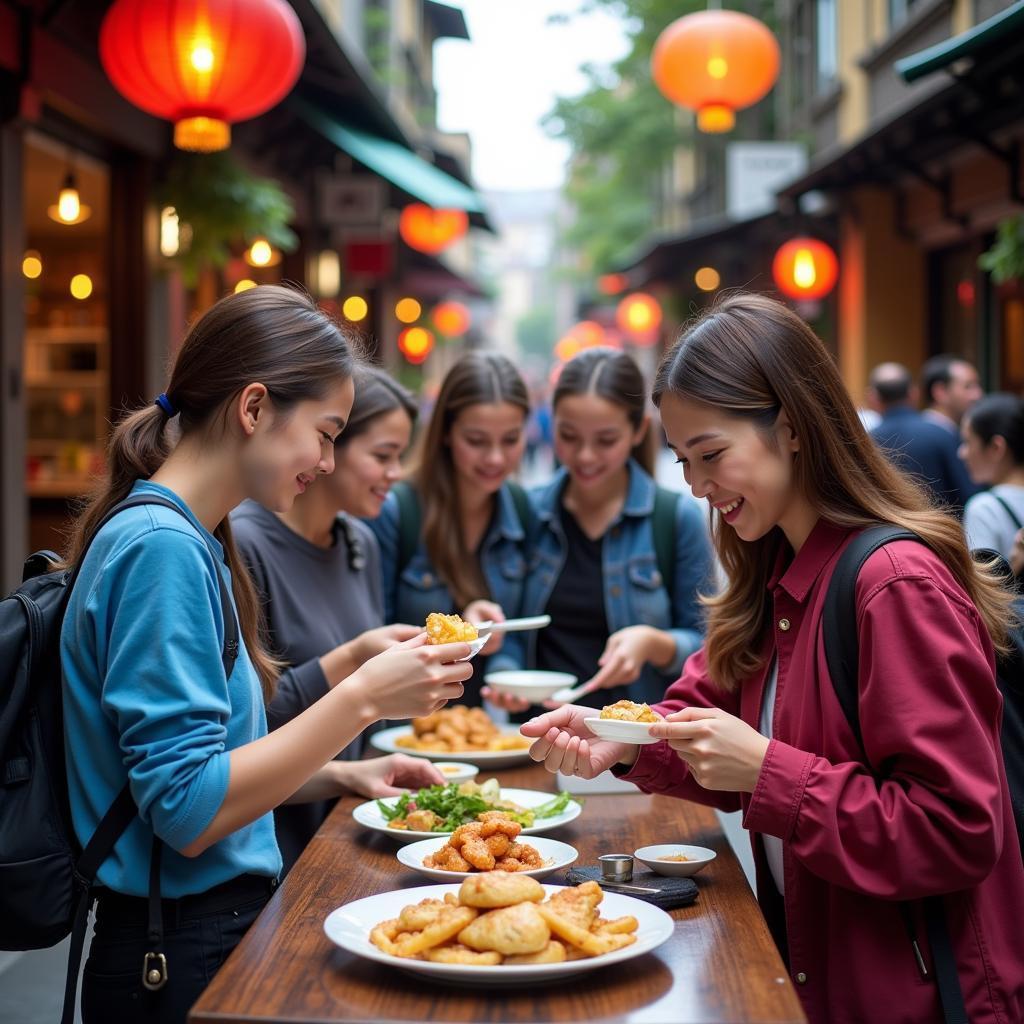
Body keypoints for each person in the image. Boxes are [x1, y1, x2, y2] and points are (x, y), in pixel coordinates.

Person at [522, 294, 1024, 1024]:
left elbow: (955, 829)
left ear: (791, 426)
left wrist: (767, 772)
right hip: (814, 972)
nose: (696, 485)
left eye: (712, 454)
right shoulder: (774, 571)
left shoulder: (894, 584)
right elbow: (700, 715)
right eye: (683, 460)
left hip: (909, 996)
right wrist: (620, 742)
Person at [60, 286, 472, 1024]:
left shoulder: (183, 536)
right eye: (325, 431)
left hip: (199, 931)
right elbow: (187, 809)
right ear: (253, 409)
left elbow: (213, 767)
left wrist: (343, 772)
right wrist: (363, 696)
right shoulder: (163, 549)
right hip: (176, 947)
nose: (327, 459)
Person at [232, 366, 444, 874]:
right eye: (382, 456)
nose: (396, 473)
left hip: (353, 829)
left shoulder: (359, 544)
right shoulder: (244, 543)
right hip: (275, 848)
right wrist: (351, 662)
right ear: (329, 449)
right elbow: (247, 721)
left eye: (401, 456)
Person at [486, 347, 713, 711]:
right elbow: (510, 629)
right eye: (569, 436)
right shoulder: (528, 511)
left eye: (605, 440)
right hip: (541, 735)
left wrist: (655, 644)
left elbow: (709, 644)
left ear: (638, 431)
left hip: (637, 746)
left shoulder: (675, 518)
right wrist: (506, 676)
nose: (585, 456)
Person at [366, 351, 532, 704]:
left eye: (511, 439)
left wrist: (506, 672)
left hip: (488, 732)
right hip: (405, 729)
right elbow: (371, 639)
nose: (495, 458)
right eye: (476, 441)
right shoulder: (397, 511)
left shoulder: (521, 509)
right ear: (445, 433)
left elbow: (517, 630)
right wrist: (464, 632)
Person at [868, 361, 976, 514]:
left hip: (888, 534)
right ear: (914, 393)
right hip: (942, 532)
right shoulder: (942, 434)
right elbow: (967, 494)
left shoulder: (866, 441)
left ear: (873, 398)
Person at [959, 392, 1024, 559]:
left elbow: (983, 584)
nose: (962, 453)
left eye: (968, 442)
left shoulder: (984, 509)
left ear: (996, 448)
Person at [921, 353, 983, 435]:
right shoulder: (930, 437)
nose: (978, 395)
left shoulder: (952, 432)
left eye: (978, 386)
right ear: (940, 391)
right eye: (968, 386)